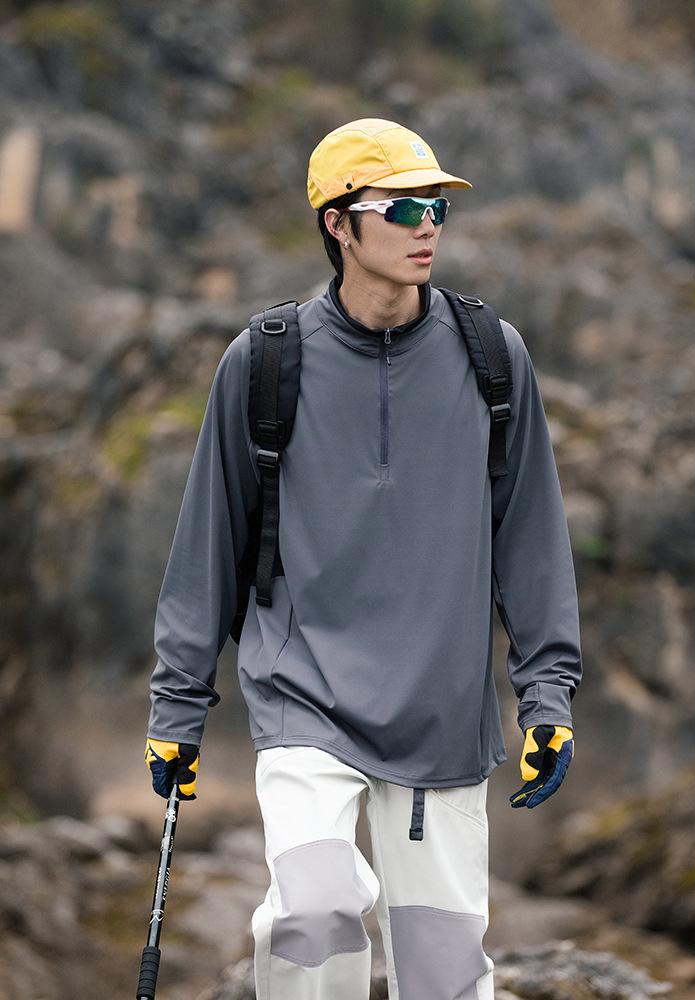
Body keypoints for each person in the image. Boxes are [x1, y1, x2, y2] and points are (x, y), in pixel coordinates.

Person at [144, 118, 582, 1000]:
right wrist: (177, 704)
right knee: (312, 917)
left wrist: (548, 694)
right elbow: (208, 543)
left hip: (442, 716)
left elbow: (533, 542)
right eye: (404, 208)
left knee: (445, 976)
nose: (429, 227)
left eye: (438, 209)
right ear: (338, 224)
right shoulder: (263, 362)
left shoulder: (493, 358)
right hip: (304, 698)